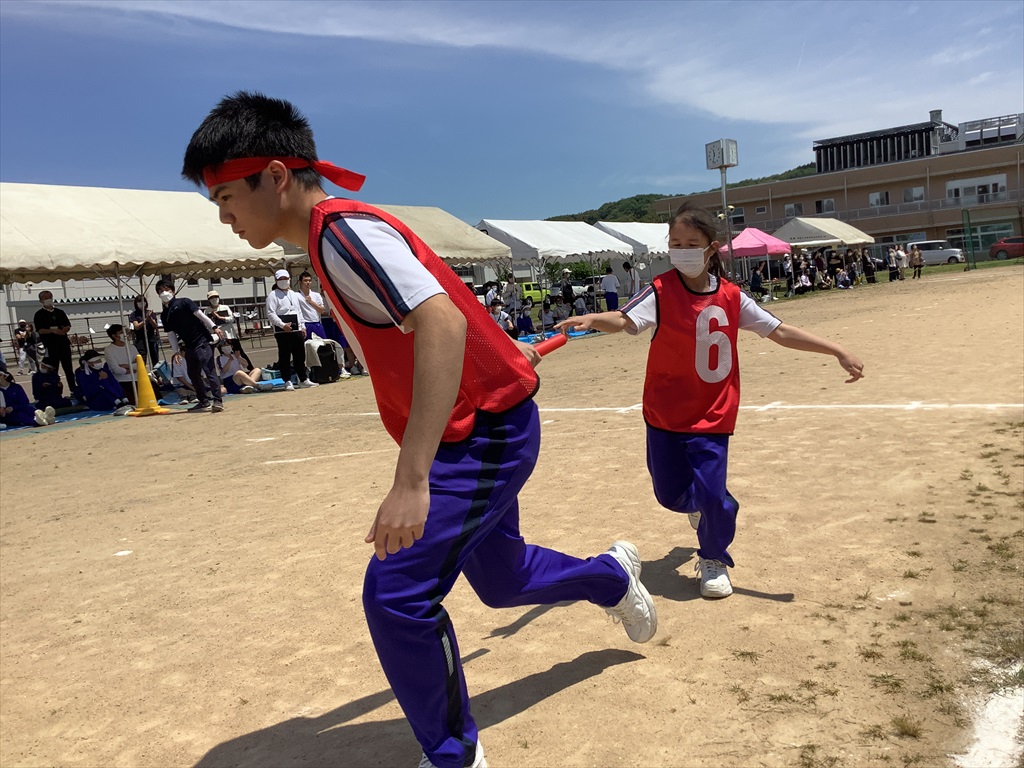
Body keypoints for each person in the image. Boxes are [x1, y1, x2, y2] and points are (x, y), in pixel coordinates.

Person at [183, 91, 657, 768]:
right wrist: (500, 349)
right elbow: (446, 305)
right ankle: (610, 577)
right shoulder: (334, 237)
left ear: (277, 176)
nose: (224, 215)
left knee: (397, 593)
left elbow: (441, 320)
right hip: (472, 426)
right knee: (504, 580)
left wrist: (411, 482)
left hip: (483, 434)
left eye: (226, 196)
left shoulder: (342, 234)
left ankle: (454, 755)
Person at [556, 202, 864, 599]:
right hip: (665, 413)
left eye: (691, 244)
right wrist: (594, 320)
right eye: (675, 243)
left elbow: (780, 331)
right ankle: (703, 505)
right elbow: (624, 319)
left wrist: (837, 349)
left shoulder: (733, 297)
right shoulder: (660, 290)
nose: (682, 250)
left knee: (714, 496)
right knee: (670, 496)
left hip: (713, 414)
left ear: (711, 249)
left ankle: (714, 556)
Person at [156, 278, 225, 413]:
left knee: (209, 370)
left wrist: (214, 327)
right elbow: (171, 334)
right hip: (188, 345)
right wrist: (176, 351)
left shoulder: (184, 302)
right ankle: (203, 401)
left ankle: (218, 400)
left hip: (202, 341)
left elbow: (200, 315)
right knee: (193, 374)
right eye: (160, 291)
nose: (164, 293)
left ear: (173, 291)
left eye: (167, 289)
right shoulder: (165, 314)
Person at [266, 269, 317, 390]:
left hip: (296, 329)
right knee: (285, 355)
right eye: (281, 279)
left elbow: (298, 311)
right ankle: (287, 380)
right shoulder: (273, 295)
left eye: (285, 278)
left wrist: (302, 326)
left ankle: (303, 379)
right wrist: (282, 324)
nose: (284, 281)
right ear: (276, 280)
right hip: (282, 331)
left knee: (300, 355)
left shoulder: (293, 294)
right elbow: (271, 313)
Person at [33, 290, 77, 398]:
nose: (48, 299)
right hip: (50, 345)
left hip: (63, 344)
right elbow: (40, 330)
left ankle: (73, 390)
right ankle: (55, 392)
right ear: (41, 300)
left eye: (50, 297)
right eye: (45, 298)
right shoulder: (39, 314)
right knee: (53, 369)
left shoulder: (60, 312)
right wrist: (52, 331)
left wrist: (64, 330)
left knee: (68, 368)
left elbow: (67, 325)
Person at [74, 350, 133, 414]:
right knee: (103, 388)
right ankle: (116, 401)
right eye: (96, 361)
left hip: (113, 396)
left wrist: (122, 396)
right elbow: (90, 391)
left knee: (113, 384)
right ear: (89, 363)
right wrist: (100, 381)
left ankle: (122, 399)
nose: (99, 363)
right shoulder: (84, 375)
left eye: (99, 361)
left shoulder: (105, 371)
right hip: (96, 399)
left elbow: (114, 383)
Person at [103, 323, 140, 404]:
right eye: (122, 332)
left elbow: (139, 364)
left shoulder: (132, 347)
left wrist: (126, 366)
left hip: (137, 379)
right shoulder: (109, 350)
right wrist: (132, 368)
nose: (126, 334)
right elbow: (116, 370)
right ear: (114, 336)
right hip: (122, 382)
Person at [129, 295, 162, 366]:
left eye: (143, 301)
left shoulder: (150, 313)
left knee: (155, 357)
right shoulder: (134, 314)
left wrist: (150, 318)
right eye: (139, 302)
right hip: (140, 338)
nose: (141, 303)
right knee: (142, 357)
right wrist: (145, 319)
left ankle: (156, 372)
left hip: (151, 337)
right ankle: (143, 371)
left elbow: (155, 325)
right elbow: (137, 327)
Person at [296, 270, 328, 340]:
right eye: (305, 280)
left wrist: (311, 302)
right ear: (300, 282)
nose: (308, 283)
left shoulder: (316, 295)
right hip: (305, 324)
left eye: (309, 281)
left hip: (316, 323)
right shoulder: (296, 295)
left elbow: (322, 310)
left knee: (322, 344)